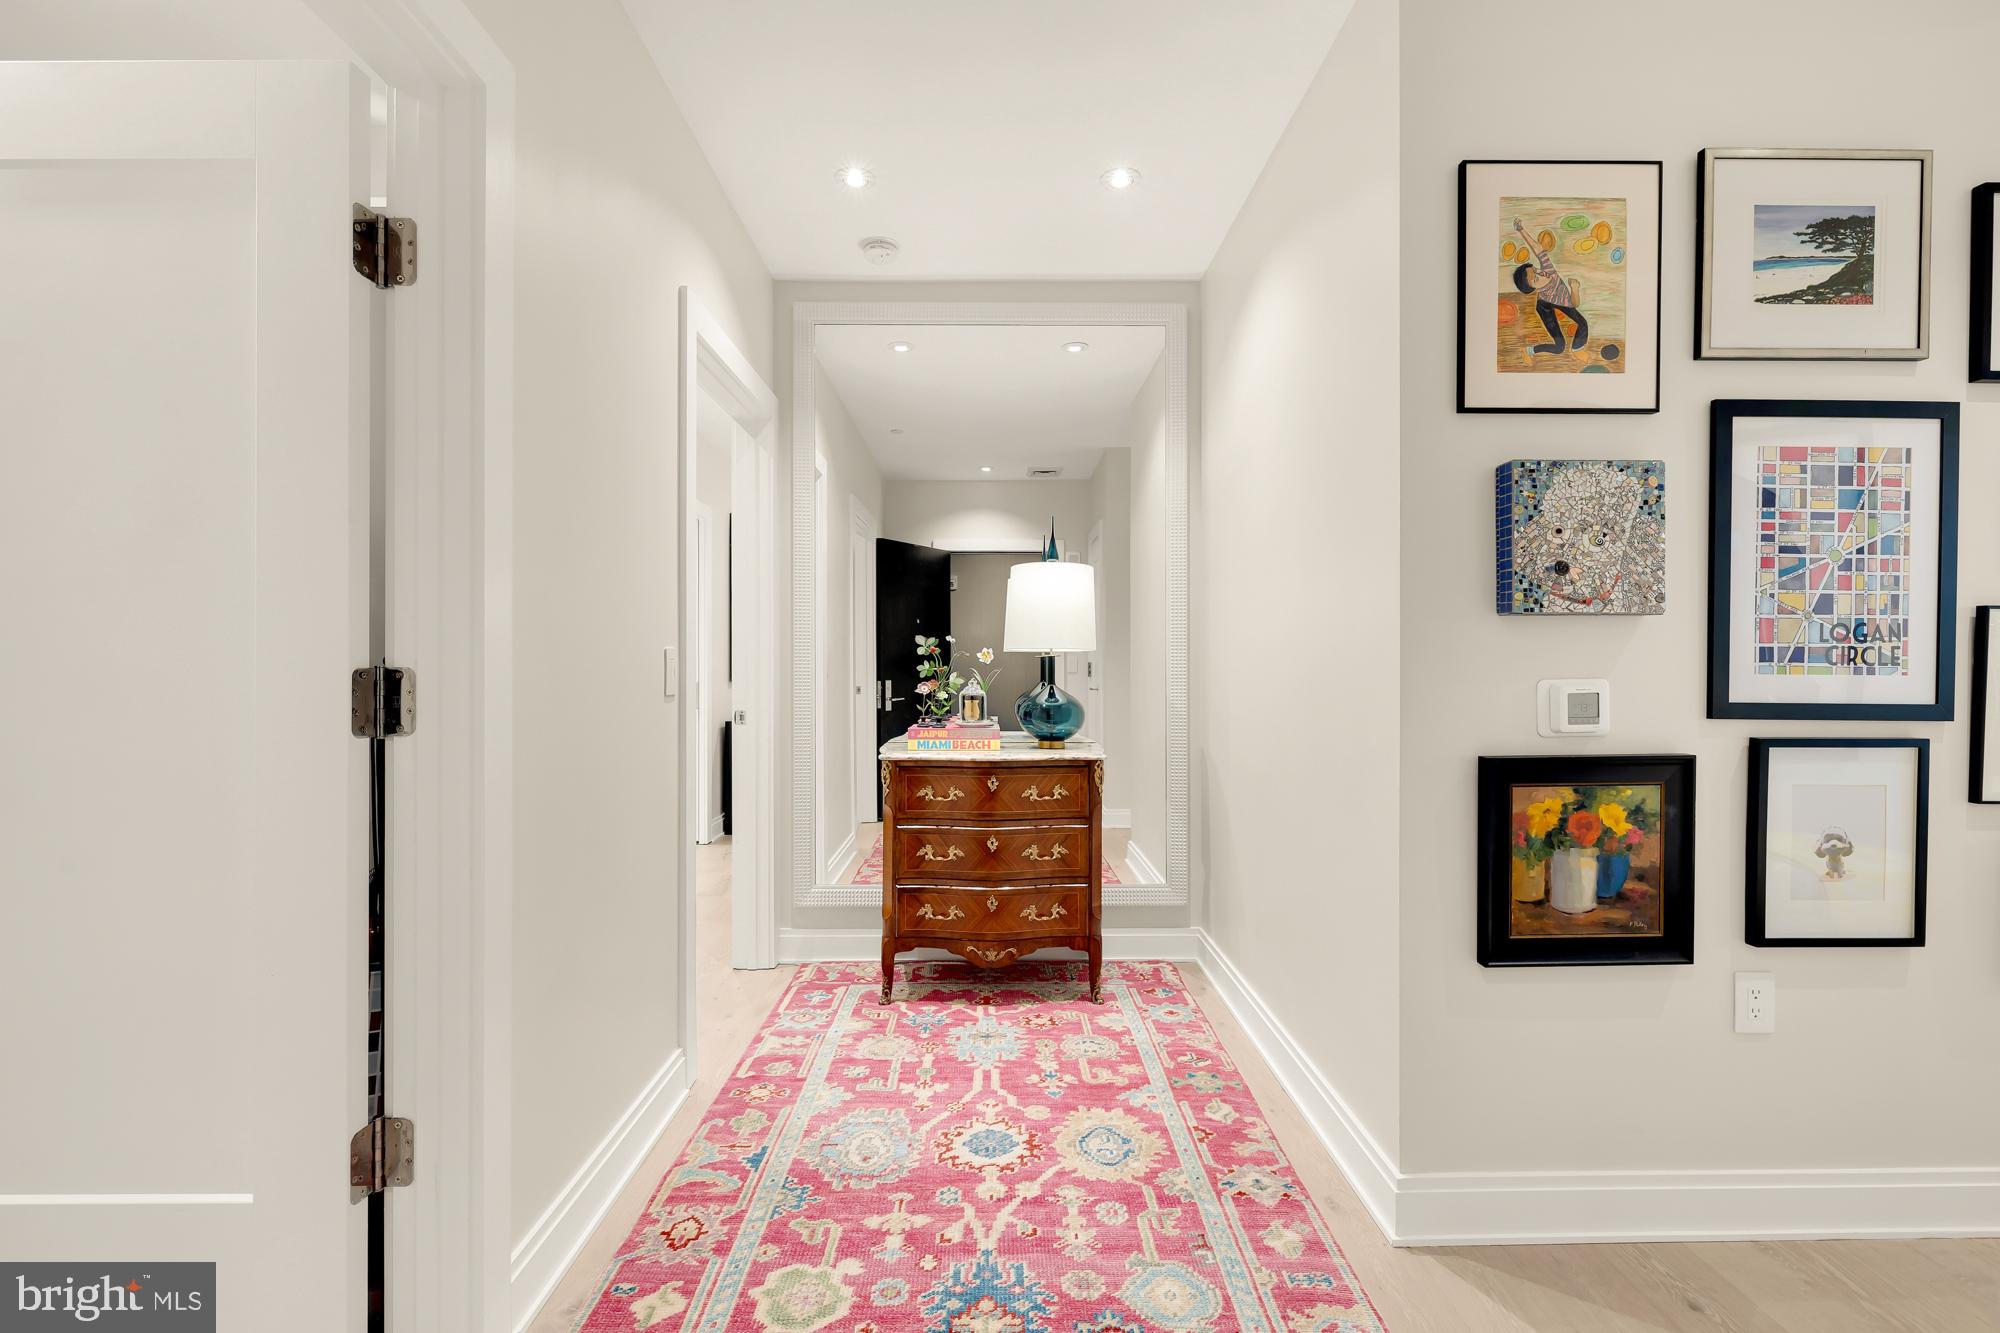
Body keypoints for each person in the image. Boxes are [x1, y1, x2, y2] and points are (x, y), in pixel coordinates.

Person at [1512, 218, 1589, 356]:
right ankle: (1529, 351)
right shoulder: (1556, 296)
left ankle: (1577, 350)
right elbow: (1574, 303)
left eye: (1535, 269)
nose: (1541, 273)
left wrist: (1520, 230)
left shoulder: (1548, 270)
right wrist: (1575, 288)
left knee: (1583, 324)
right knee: (1559, 347)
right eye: (1536, 279)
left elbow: (1537, 248)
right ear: (1535, 288)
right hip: (1544, 305)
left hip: (1558, 298)